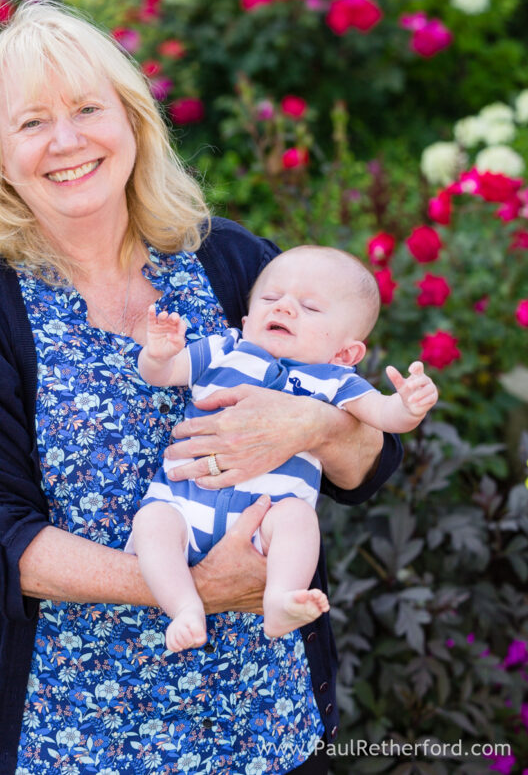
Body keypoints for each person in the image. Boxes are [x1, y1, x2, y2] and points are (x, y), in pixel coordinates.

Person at [0, 0, 402, 775]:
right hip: (67, 743)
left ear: (134, 121)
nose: (68, 140)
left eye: (88, 108)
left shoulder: (232, 264)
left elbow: (369, 465)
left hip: (265, 731)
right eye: (33, 122)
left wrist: (309, 425)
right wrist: (193, 588)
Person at [131, 245, 438, 652]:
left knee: (298, 519)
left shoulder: (332, 381)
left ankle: (279, 598)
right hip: (185, 508)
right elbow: (163, 374)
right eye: (271, 299)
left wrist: (408, 405)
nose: (286, 308)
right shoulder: (226, 348)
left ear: (346, 353)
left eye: (310, 307)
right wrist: (158, 354)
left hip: (266, 525)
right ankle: (185, 607)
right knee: (152, 522)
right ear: (247, 319)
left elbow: (384, 415)